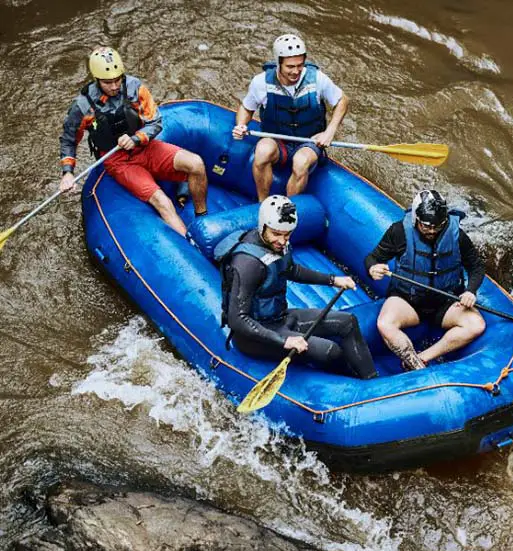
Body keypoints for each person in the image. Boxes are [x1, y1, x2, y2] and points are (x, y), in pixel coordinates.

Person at [217, 195, 377, 380]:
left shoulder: (278, 244)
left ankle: (371, 380)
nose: (283, 241)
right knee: (330, 351)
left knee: (348, 322)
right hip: (255, 336)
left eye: (287, 235)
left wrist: (334, 280)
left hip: (281, 318)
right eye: (277, 234)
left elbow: (292, 270)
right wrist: (285, 341)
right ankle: (355, 386)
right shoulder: (248, 264)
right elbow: (237, 319)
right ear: (263, 226)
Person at [59, 47, 208, 236]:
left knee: (196, 163)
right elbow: (69, 139)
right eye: (107, 82)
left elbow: (155, 121)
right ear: (96, 79)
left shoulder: (135, 88)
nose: (114, 86)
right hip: (119, 161)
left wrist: (137, 138)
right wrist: (67, 172)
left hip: (145, 147)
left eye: (117, 80)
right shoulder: (82, 106)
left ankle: (202, 218)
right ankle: (191, 246)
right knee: (162, 201)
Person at [366, 190, 486, 371]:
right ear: (416, 219)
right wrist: (372, 268)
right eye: (426, 226)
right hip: (408, 300)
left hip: (445, 301)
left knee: (476, 325)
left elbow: (476, 266)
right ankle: (415, 366)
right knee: (385, 324)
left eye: (437, 226)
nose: (432, 231)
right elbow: (372, 258)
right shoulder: (398, 232)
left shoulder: (457, 236)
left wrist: (470, 290)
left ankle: (423, 358)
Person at [231, 34, 349, 199]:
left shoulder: (318, 79)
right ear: (279, 63)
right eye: (290, 66)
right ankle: (262, 203)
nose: (296, 71)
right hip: (277, 141)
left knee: (301, 162)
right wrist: (242, 125)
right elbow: (246, 108)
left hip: (309, 141)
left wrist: (330, 131)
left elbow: (342, 100)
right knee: (262, 151)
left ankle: (288, 209)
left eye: (300, 65)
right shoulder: (261, 83)